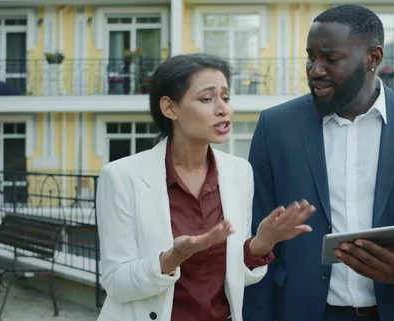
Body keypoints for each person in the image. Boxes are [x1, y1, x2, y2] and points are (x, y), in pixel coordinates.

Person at [242, 4, 394, 321]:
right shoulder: (275, 127)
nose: (315, 69)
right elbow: (258, 236)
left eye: (331, 59)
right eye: (311, 56)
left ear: (373, 58)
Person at [95, 53, 315, 321]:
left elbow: (236, 279)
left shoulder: (239, 172)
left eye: (226, 97)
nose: (223, 109)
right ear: (170, 108)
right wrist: (172, 258)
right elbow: (116, 282)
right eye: (207, 99)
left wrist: (261, 243)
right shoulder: (121, 176)